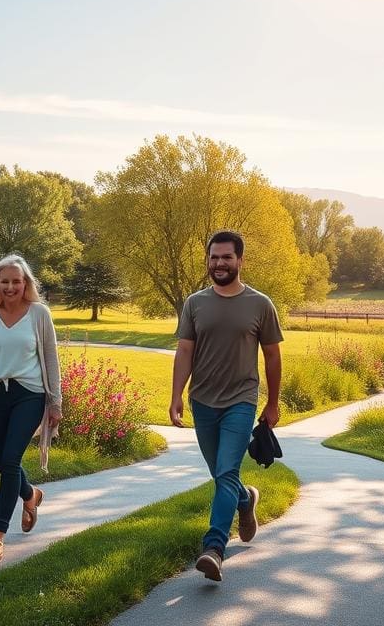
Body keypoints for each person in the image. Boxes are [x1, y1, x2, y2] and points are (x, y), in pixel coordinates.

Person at [169, 230, 283, 582]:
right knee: (221, 475)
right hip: (202, 401)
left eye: (226, 257)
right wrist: (176, 396)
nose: (219, 263)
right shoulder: (194, 303)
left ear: (240, 260)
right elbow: (185, 351)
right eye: (214, 257)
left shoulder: (260, 304)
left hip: (241, 400)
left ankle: (214, 548)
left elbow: (273, 355)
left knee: (226, 473)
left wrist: (274, 402)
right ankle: (246, 501)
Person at [0, 254, 62, 563]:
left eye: (16, 280)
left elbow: (50, 359)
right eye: (5, 281)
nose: (11, 286)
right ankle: (30, 495)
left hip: (29, 394)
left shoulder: (39, 314)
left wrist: (55, 402)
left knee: (11, 459)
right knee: (2, 460)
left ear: (25, 283)